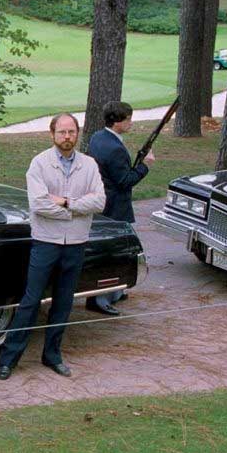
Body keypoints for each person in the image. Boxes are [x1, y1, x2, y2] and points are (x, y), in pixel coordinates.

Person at [0, 113, 105, 381]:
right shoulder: (39, 164)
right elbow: (39, 204)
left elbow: (100, 202)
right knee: (31, 301)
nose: (67, 137)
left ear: (77, 134)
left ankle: (52, 355)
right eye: (62, 132)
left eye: (71, 132)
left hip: (76, 243)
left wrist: (66, 203)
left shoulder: (89, 165)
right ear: (52, 134)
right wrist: (78, 206)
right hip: (46, 242)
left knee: (64, 302)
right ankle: (9, 359)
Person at [85, 101, 155, 315]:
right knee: (112, 253)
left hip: (102, 203)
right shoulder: (115, 148)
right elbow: (125, 181)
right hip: (114, 207)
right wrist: (145, 165)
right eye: (128, 119)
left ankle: (114, 291)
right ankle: (99, 299)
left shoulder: (98, 137)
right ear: (117, 122)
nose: (130, 123)